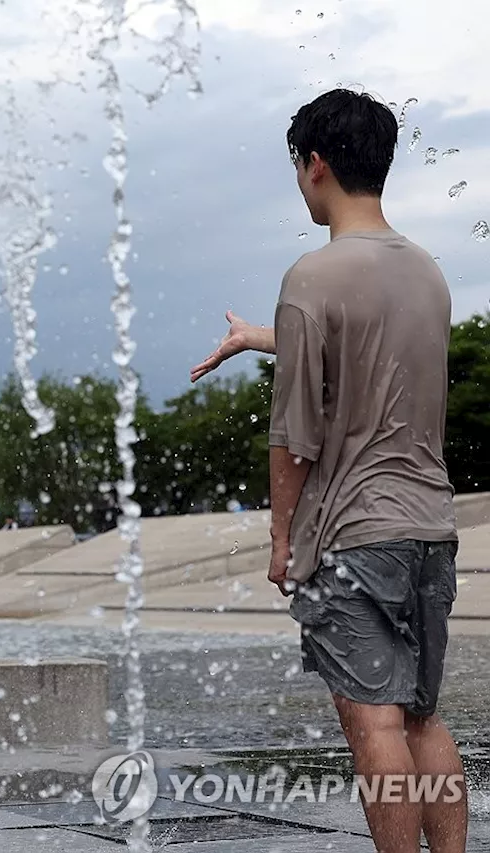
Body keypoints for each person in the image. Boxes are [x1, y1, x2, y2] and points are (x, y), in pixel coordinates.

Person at [192, 88, 465, 853]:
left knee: (374, 721)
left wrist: (281, 541)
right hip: (429, 532)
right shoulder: (428, 272)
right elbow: (373, 353)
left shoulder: (313, 273)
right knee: (419, 715)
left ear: (315, 166)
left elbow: (294, 436)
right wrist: (264, 334)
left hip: (352, 536)